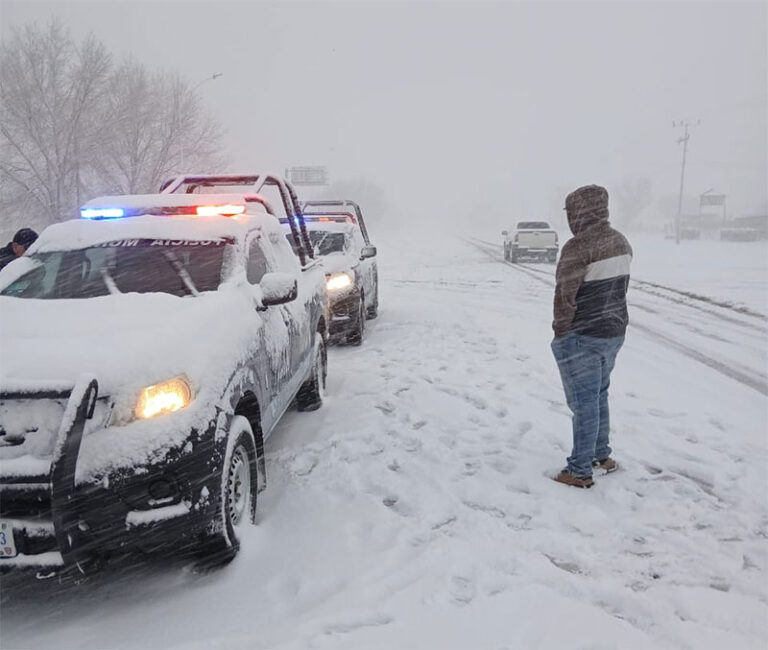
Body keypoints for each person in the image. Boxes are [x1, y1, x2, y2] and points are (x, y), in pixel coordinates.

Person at [550, 185, 632, 488]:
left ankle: (579, 470)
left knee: (584, 403)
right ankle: (601, 455)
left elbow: (565, 296)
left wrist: (561, 333)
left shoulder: (578, 247)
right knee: (598, 395)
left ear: (579, 212)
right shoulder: (621, 242)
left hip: (582, 336)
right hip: (613, 332)